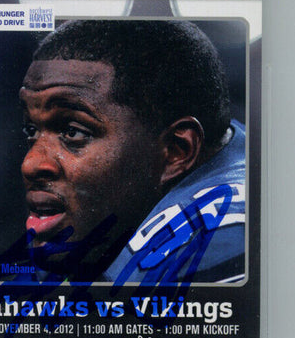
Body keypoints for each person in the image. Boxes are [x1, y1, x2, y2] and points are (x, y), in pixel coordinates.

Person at [19, 19, 245, 285]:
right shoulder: (229, 146)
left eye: (73, 133)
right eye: (31, 130)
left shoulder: (208, 246)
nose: (31, 163)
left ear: (176, 151)